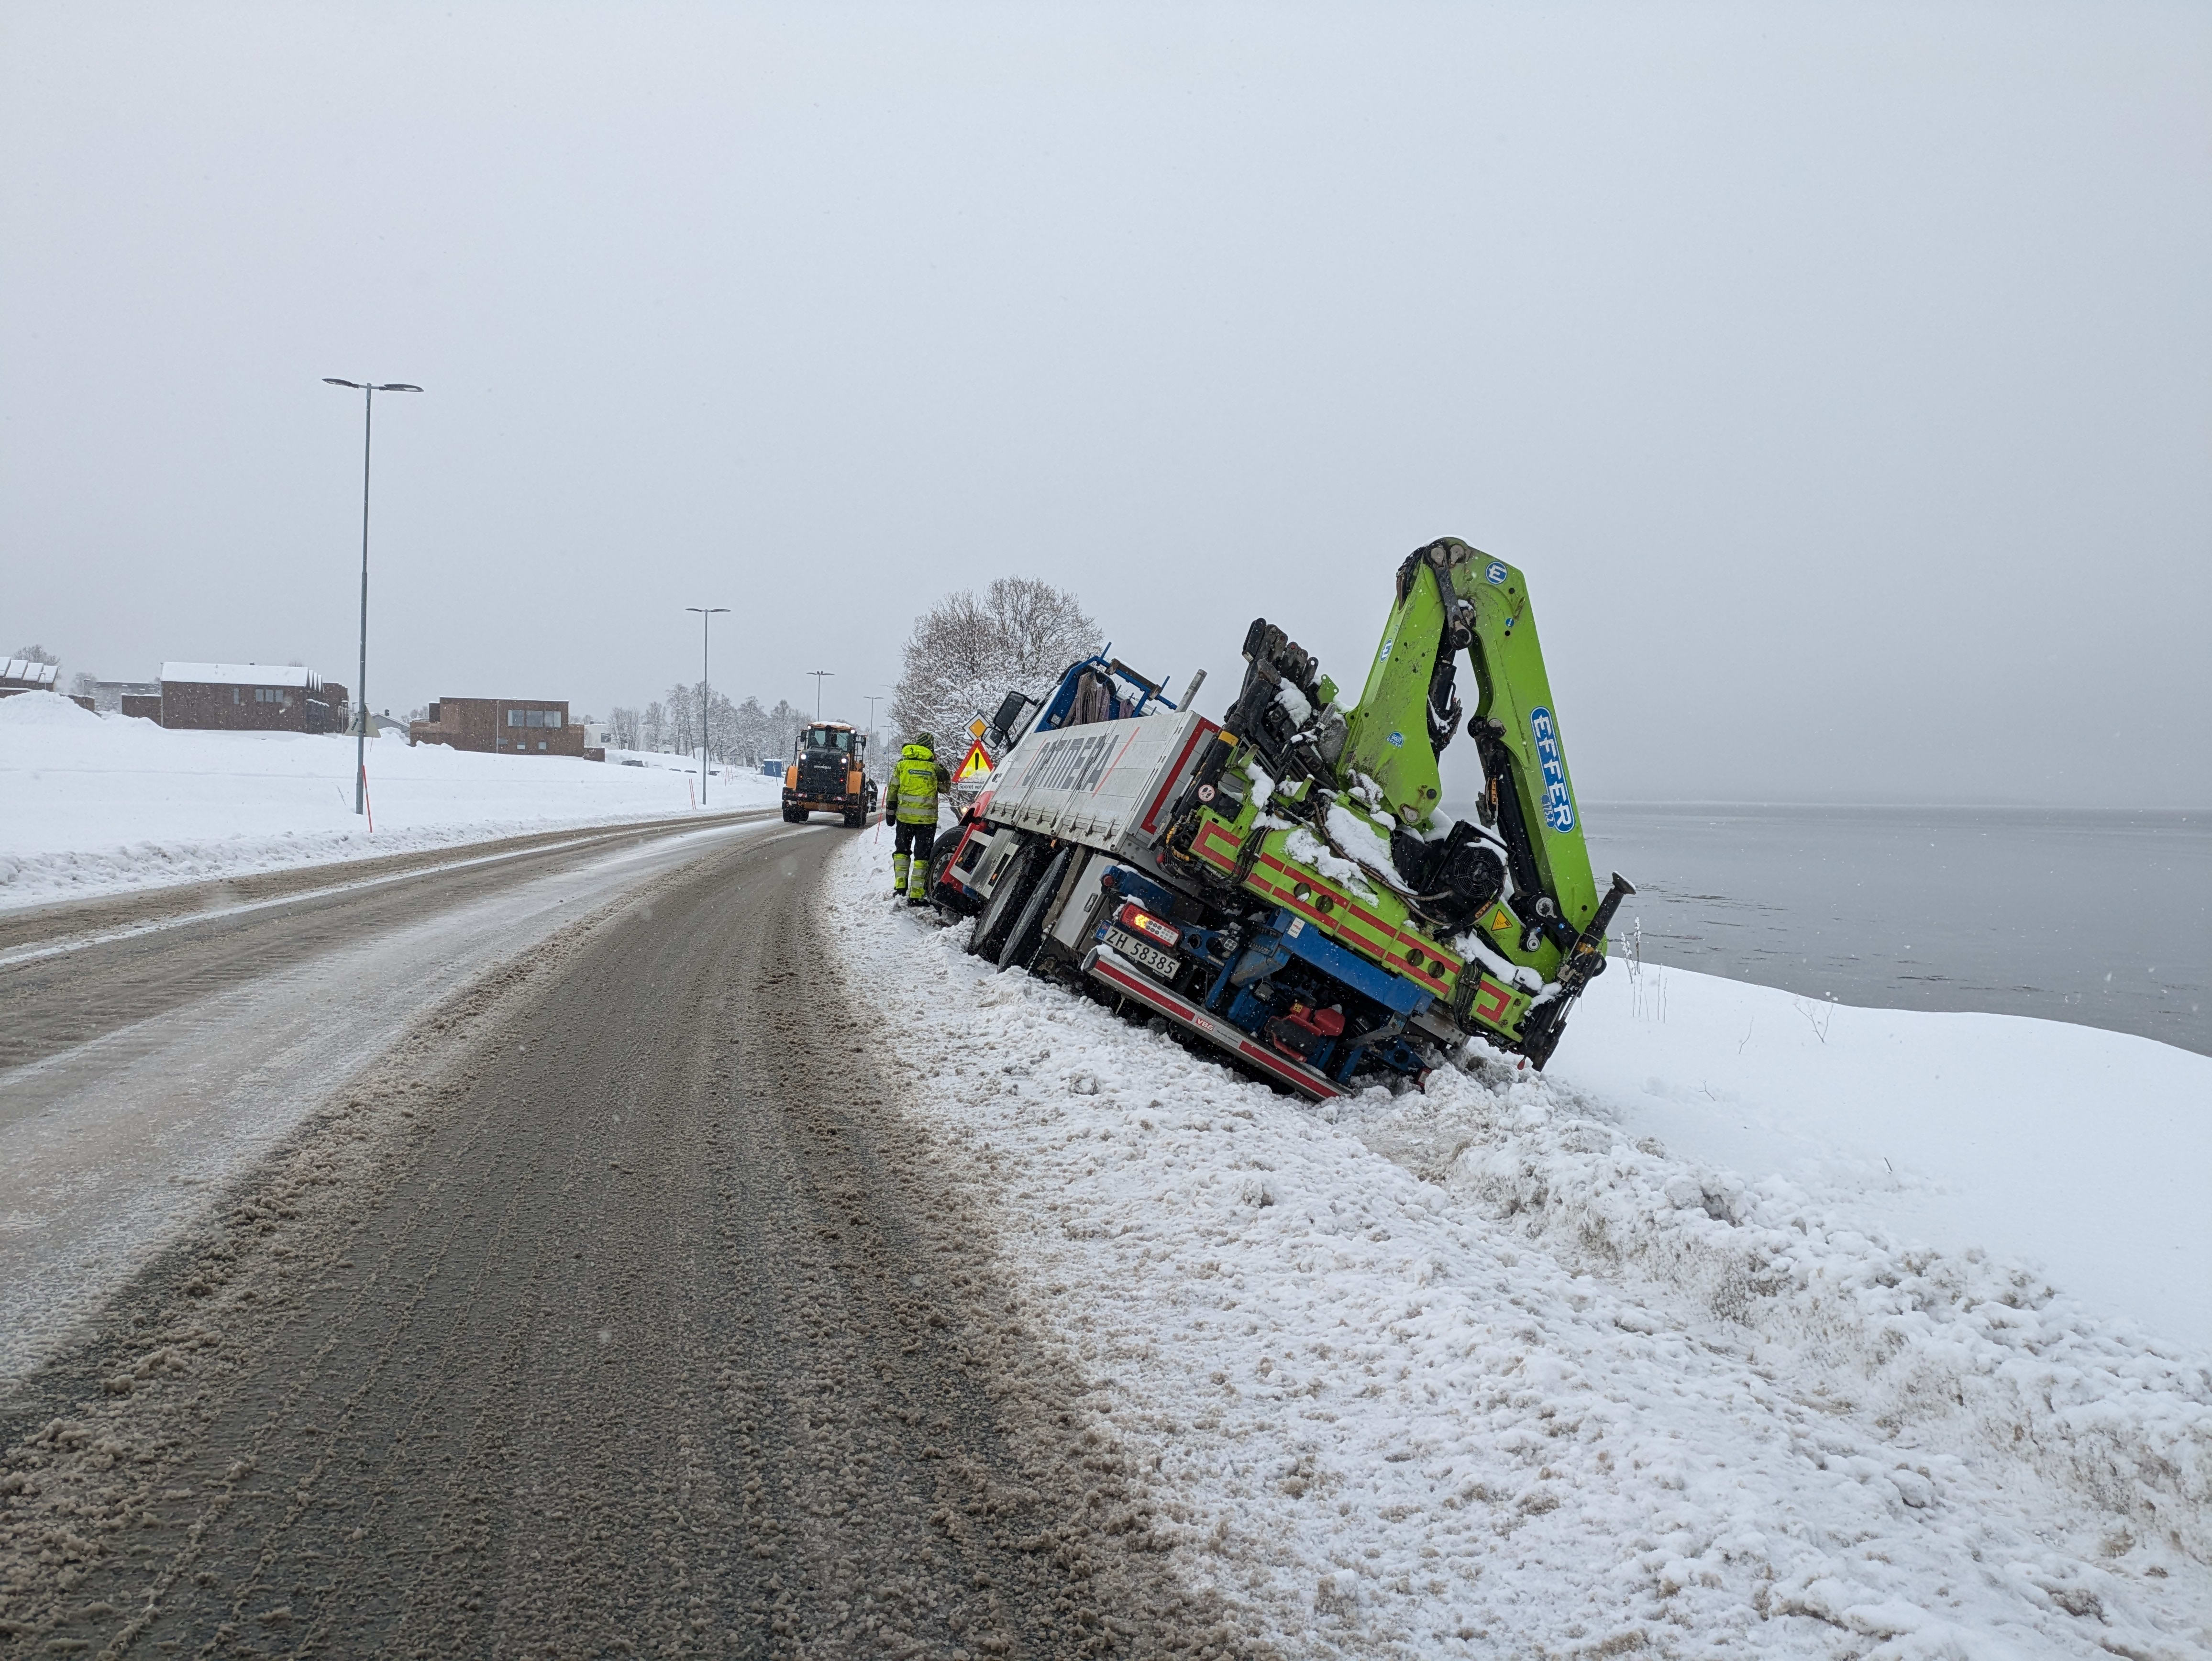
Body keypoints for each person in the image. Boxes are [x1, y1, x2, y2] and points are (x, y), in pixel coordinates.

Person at [885, 731, 951, 905]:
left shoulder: (902, 765)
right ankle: (916, 895)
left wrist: (890, 813)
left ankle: (900, 888)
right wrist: (941, 768)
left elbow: (892, 790)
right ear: (931, 749)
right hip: (926, 822)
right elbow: (945, 789)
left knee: (902, 852)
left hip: (904, 819)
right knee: (922, 856)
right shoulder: (934, 768)